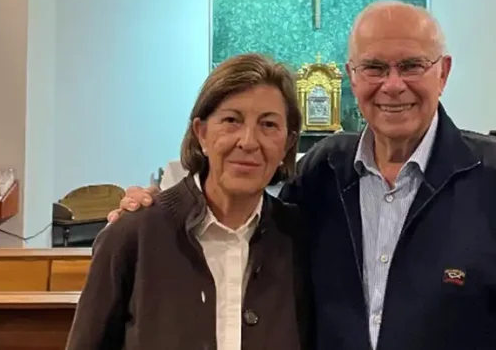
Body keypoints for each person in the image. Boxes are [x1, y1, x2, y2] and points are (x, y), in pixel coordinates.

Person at [110, 1, 496, 350]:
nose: (392, 85)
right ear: (351, 76)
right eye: (374, 68)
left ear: (443, 72)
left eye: (411, 65)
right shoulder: (323, 172)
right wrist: (157, 208)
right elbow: (245, 221)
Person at [66, 53, 312, 350]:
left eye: (269, 125)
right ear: (202, 133)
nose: (248, 141)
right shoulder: (134, 235)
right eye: (231, 120)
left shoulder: (301, 240)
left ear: (287, 144)